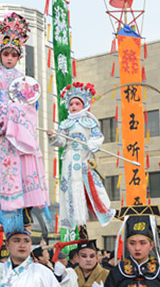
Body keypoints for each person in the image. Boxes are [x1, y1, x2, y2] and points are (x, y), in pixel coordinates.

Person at [0, 12, 49, 232]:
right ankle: (7, 231)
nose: (9, 57)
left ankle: (24, 227)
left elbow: (31, 109)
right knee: (4, 181)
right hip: (1, 140)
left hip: (20, 138)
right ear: (0, 55)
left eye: (13, 54)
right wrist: (12, 110)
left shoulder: (26, 82)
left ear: (18, 57)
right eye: (6, 53)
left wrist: (15, 110)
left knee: (21, 178)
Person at [48, 82, 116, 229]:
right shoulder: (65, 124)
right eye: (71, 103)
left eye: (77, 103)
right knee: (70, 189)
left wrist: (92, 144)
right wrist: (53, 137)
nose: (73, 106)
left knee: (90, 187)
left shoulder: (89, 122)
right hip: (69, 161)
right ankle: (74, 219)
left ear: (83, 105)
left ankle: (100, 212)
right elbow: (61, 142)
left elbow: (97, 137)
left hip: (84, 158)